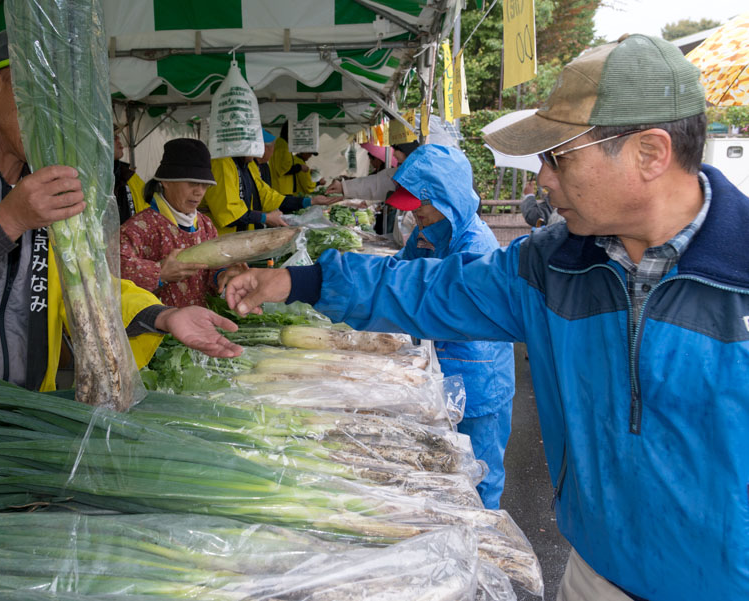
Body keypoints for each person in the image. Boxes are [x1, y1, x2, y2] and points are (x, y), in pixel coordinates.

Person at [223, 34, 749, 600]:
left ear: (650, 153)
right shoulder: (552, 266)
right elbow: (432, 290)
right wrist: (299, 281)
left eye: (559, 156)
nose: (543, 179)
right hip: (596, 575)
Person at [0, 32, 242, 487]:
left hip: (21, 429)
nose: (55, 117)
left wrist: (162, 314)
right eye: (39, 94)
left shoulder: (51, 184)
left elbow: (83, 282)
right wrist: (9, 219)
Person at [386, 145, 515, 509]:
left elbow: (445, 307)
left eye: (422, 212)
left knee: (479, 473)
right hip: (439, 372)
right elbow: (398, 270)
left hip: (479, 379)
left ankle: (487, 547)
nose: (417, 221)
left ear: (447, 201)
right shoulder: (428, 233)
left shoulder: (476, 246)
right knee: (443, 467)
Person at [120, 138, 246, 307]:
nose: (199, 192)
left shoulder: (206, 225)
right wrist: (159, 273)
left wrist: (223, 276)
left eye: (205, 185)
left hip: (200, 324)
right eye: (192, 183)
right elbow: (115, 274)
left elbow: (213, 268)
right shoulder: (136, 228)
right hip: (157, 330)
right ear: (165, 181)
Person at [202, 153, 335, 234]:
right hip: (221, 238)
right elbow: (229, 213)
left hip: (241, 235)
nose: (257, 154)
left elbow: (267, 196)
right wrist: (266, 218)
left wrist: (310, 201)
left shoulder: (247, 166)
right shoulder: (221, 163)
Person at [113, 128, 149, 223]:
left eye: (117, 135)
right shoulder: (90, 181)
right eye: (113, 137)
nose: (118, 138)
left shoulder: (128, 176)